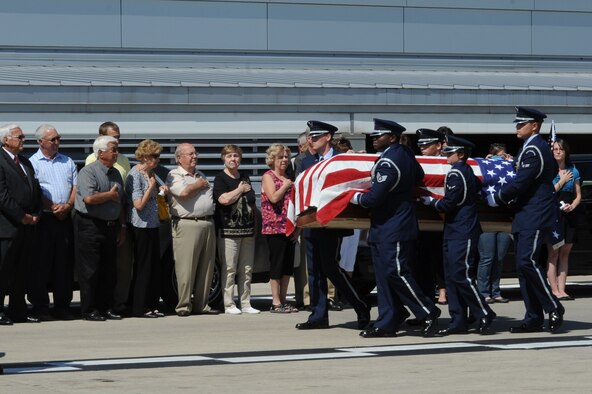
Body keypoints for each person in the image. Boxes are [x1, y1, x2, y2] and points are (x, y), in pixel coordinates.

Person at [350, 119, 440, 338]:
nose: (374, 138)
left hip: (393, 225)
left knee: (396, 272)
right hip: (389, 225)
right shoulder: (405, 154)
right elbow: (419, 176)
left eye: (379, 135)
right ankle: (388, 319)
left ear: (391, 137)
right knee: (384, 276)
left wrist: (353, 197)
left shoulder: (390, 161)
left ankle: (427, 311)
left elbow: (374, 198)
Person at [490, 106, 564, 333]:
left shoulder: (535, 149)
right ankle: (533, 316)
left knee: (527, 261)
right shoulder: (529, 148)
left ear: (534, 125)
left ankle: (553, 306)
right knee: (524, 267)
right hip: (526, 213)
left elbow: (522, 181)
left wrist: (499, 196)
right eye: (517, 123)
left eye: (521, 124)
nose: (517, 127)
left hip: (534, 213)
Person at [295, 120, 370, 330]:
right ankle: (318, 315)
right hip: (311, 221)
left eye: (316, 137)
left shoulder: (341, 160)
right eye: (310, 137)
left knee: (330, 268)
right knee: (314, 271)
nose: (311, 140)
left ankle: (360, 305)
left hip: (331, 222)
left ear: (328, 137)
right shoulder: (305, 161)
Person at [422, 135, 496, 335]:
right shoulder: (466, 171)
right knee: (452, 277)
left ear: (461, 154)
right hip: (456, 230)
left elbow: (448, 204)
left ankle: (484, 312)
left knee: (460, 275)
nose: (445, 154)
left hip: (461, 231)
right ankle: (458, 320)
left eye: (449, 152)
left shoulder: (457, 174)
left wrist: (429, 201)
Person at [74, 135, 126, 321]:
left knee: (109, 270)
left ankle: (107, 307)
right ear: (100, 152)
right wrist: (109, 196)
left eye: (117, 149)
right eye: (113, 149)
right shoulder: (88, 172)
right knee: (90, 270)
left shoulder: (116, 173)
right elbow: (89, 199)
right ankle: (89, 309)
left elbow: (120, 201)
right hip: (90, 226)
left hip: (111, 226)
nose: (116, 153)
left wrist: (122, 226)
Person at [28, 124, 77, 321]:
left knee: (63, 264)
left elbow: (75, 186)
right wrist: (53, 207)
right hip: (45, 219)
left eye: (58, 138)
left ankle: (62, 306)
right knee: (42, 264)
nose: (57, 142)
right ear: (41, 142)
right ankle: (40, 307)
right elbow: (35, 191)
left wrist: (67, 205)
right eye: (53, 139)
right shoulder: (33, 162)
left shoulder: (67, 161)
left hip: (65, 218)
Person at [85, 121, 132, 315]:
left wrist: (122, 225)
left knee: (115, 268)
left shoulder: (123, 161)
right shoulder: (91, 162)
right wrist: (110, 197)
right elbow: (93, 193)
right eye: (114, 139)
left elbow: (123, 194)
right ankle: (93, 307)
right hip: (96, 221)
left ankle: (115, 305)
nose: (117, 143)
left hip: (117, 218)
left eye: (119, 138)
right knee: (94, 268)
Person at [166, 143, 216, 316]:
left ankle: (202, 305)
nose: (195, 156)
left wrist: (199, 182)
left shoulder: (200, 175)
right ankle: (184, 305)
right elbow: (183, 193)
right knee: (186, 268)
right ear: (179, 157)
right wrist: (199, 185)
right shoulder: (174, 175)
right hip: (187, 224)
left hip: (207, 223)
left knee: (206, 267)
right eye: (190, 154)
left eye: (196, 153)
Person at [0, 124, 42, 325]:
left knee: (21, 271)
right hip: (7, 227)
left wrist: (36, 213)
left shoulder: (25, 162)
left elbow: (35, 189)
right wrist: (21, 216)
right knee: (3, 270)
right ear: (6, 140)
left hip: (28, 226)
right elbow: (2, 196)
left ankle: (19, 310)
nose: (23, 139)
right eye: (19, 136)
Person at [213, 144, 260, 315]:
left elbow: (252, 203)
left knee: (246, 269)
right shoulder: (220, 179)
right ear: (223, 159)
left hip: (247, 231)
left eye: (236, 156)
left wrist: (255, 226)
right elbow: (223, 200)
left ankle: (246, 302)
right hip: (228, 232)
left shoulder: (245, 176)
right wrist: (240, 189)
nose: (233, 159)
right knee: (229, 268)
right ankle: (229, 303)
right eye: (229, 156)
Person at [126, 139, 167, 318]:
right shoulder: (135, 174)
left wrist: (161, 189)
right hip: (140, 225)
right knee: (143, 266)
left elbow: (157, 194)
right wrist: (151, 188)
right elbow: (138, 204)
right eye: (154, 156)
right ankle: (139, 306)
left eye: (158, 156)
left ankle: (151, 303)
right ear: (144, 157)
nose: (157, 160)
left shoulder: (152, 173)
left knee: (153, 266)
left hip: (153, 223)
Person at [261, 143, 297, 313]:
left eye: (286, 157)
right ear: (272, 159)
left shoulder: (289, 177)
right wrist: (285, 186)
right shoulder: (268, 176)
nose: (284, 160)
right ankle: (275, 302)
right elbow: (274, 198)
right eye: (280, 157)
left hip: (290, 227)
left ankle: (283, 299)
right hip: (274, 228)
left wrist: (298, 228)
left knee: (287, 266)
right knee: (277, 264)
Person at [414, 128, 447, 306]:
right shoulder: (417, 163)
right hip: (423, 222)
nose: (422, 147)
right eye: (420, 144)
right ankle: (426, 306)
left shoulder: (447, 164)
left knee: (443, 263)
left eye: (427, 144)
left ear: (439, 145)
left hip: (443, 222)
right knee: (422, 267)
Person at [547, 138, 582, 301]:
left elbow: (578, 195)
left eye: (561, 149)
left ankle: (562, 289)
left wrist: (572, 206)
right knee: (553, 253)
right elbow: (548, 193)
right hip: (553, 216)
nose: (558, 151)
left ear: (566, 151)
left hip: (569, 215)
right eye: (555, 149)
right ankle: (554, 290)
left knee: (564, 254)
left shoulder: (573, 170)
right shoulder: (547, 170)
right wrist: (561, 181)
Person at [477, 143, 512, 304]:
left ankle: (495, 290)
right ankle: (483, 292)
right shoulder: (482, 169)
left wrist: (511, 161)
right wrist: (485, 162)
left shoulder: (510, 167)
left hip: (505, 219)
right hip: (487, 220)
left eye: (502, 156)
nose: (500, 160)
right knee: (487, 257)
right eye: (497, 156)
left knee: (499, 257)